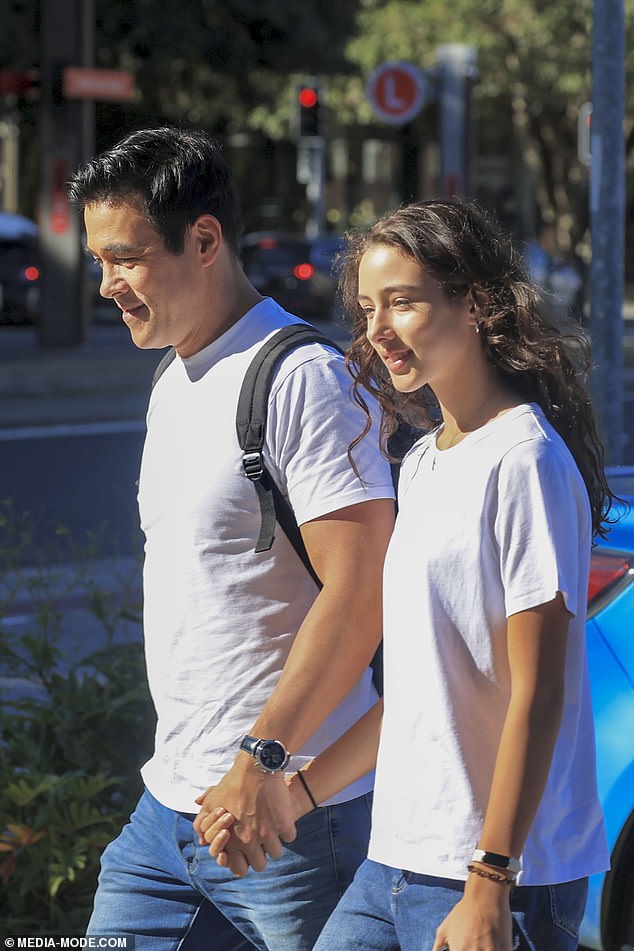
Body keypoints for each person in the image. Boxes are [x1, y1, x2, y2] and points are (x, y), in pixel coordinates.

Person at [202, 199, 614, 951]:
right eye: (366, 308)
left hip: (493, 877)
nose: (376, 329)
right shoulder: (424, 460)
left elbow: (541, 690)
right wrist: (292, 795)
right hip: (394, 858)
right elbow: (421, 697)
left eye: (402, 301)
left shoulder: (525, 459)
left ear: (476, 302)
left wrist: (491, 878)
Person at [67, 127, 396, 951]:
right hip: (168, 813)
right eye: (99, 261)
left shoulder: (302, 379)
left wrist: (263, 762)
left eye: (126, 259)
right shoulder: (173, 375)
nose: (106, 285)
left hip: (284, 819)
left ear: (204, 239)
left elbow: (362, 594)